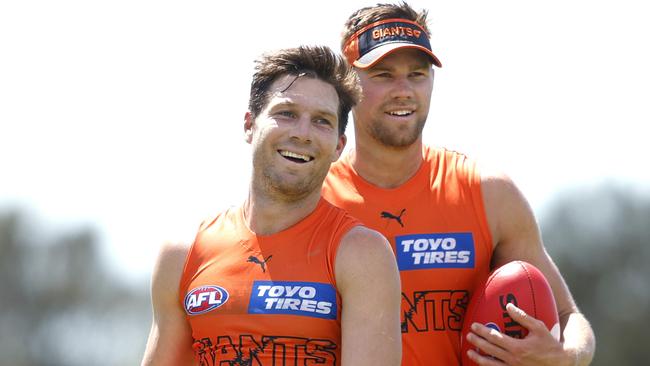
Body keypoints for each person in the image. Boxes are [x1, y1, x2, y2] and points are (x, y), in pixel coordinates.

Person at [322, 2, 596, 365]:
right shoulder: (315, 200)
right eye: (383, 75)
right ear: (347, 85)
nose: (403, 90)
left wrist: (565, 357)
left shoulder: (487, 192)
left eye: (417, 74)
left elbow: (569, 317)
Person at [141, 45, 402, 366]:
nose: (302, 133)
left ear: (338, 145)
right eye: (287, 113)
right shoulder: (181, 253)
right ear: (249, 125)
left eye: (321, 121)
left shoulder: (362, 253)